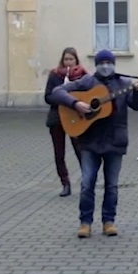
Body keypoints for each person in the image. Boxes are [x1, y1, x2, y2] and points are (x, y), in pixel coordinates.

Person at [49, 50, 138, 238]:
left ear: (114, 65)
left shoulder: (124, 84)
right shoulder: (87, 82)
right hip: (90, 141)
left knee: (112, 186)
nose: (105, 66)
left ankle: (108, 221)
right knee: (87, 183)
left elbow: (137, 106)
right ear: (97, 65)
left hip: (115, 140)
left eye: (109, 63)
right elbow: (57, 92)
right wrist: (76, 104)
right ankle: (85, 223)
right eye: (102, 63)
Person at [44, 47, 87, 196]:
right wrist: (61, 98)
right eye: (66, 59)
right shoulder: (54, 75)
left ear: (76, 60)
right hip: (57, 117)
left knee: (80, 150)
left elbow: (87, 94)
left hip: (75, 117)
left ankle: (86, 181)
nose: (68, 62)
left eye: (71, 59)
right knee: (59, 153)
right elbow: (47, 96)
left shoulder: (82, 75)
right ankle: (65, 183)